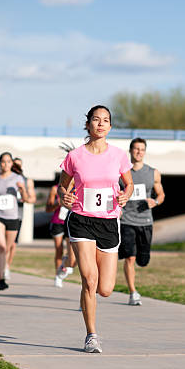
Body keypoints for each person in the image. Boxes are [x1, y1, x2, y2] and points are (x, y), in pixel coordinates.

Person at [59, 105, 134, 353]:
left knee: (105, 289)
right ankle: (91, 335)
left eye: (105, 120)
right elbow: (62, 187)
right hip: (81, 219)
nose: (100, 124)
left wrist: (125, 195)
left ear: (110, 126)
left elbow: (129, 184)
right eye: (96, 119)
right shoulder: (75, 156)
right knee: (89, 280)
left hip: (109, 223)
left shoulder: (119, 155)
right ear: (88, 124)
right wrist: (64, 198)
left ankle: (89, 299)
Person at [119, 138, 165, 306]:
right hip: (127, 220)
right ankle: (133, 292)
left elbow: (161, 194)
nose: (139, 152)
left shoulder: (153, 172)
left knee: (142, 261)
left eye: (142, 149)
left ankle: (141, 260)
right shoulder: (122, 172)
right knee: (129, 257)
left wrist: (156, 202)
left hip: (145, 221)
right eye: (136, 149)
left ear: (145, 152)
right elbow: (114, 191)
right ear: (130, 151)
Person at [0, 152, 27, 290]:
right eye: (3, 161)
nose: (5, 164)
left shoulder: (18, 178)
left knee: (8, 248)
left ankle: (5, 269)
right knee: (2, 247)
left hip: (12, 217)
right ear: (0, 163)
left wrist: (22, 189)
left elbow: (25, 198)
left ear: (12, 163)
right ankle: (1, 278)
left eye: (8, 161)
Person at [5, 157, 36, 280]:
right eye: (14, 166)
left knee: (12, 244)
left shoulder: (26, 181)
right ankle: (2, 264)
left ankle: (7, 266)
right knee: (3, 244)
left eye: (19, 166)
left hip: (17, 214)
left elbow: (32, 199)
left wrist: (24, 193)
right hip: (2, 213)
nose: (16, 168)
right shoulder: (4, 178)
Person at [46, 177, 76, 288]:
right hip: (58, 221)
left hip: (72, 222)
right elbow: (47, 209)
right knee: (59, 250)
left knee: (73, 256)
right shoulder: (56, 189)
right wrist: (57, 203)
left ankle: (65, 263)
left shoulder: (79, 187)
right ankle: (57, 276)